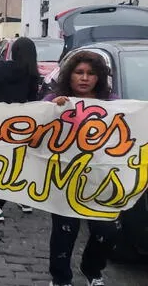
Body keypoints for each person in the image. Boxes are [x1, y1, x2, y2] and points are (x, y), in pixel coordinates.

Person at [44, 51, 118, 286]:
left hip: (102, 181)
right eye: (79, 72)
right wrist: (52, 111)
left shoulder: (114, 105)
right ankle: (60, 277)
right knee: (64, 233)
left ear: (100, 78)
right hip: (63, 179)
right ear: (70, 75)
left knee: (106, 232)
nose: (85, 78)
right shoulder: (53, 101)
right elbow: (35, 134)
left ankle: (92, 268)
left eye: (91, 73)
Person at [0, 37, 39, 220]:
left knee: (0, 162)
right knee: (20, 161)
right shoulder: (32, 74)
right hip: (22, 122)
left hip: (0, 121)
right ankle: (24, 200)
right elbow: (33, 99)